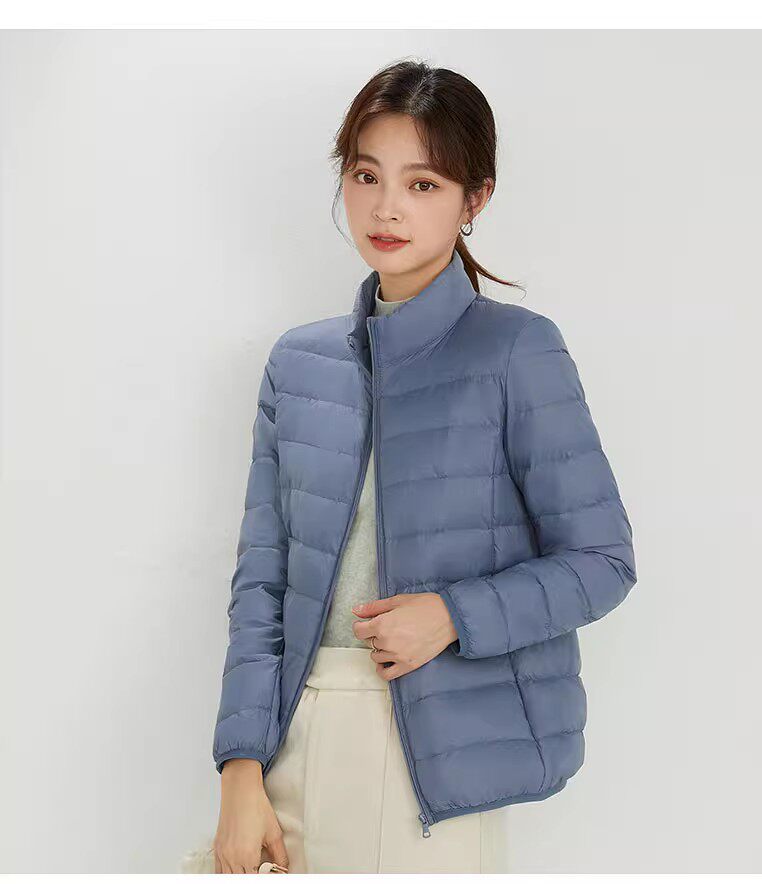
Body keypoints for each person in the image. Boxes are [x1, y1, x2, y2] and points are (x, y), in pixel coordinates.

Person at [186, 60, 637, 875]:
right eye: (366, 176)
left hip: (432, 766)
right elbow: (263, 584)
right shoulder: (299, 363)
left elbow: (602, 561)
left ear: (475, 199)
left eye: (422, 184)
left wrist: (454, 614)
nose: (386, 207)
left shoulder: (517, 352)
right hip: (287, 744)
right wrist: (240, 769)